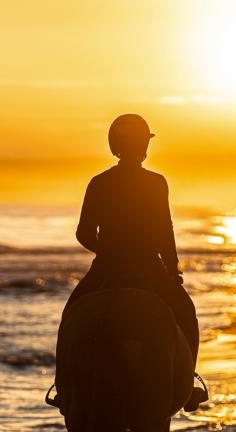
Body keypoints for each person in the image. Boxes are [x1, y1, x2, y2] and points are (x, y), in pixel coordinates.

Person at [47, 113, 208, 412]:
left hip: (106, 268)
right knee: (186, 313)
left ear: (114, 145)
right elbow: (165, 230)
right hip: (149, 267)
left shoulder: (99, 182)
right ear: (143, 145)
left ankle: (65, 390)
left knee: (71, 316)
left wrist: (107, 250)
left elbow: (83, 233)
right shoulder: (157, 183)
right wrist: (171, 271)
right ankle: (187, 388)